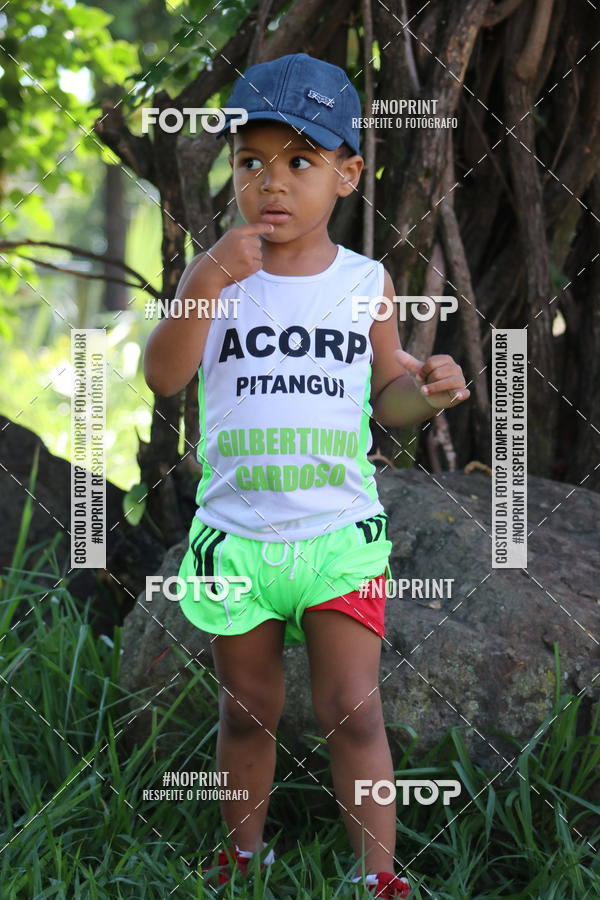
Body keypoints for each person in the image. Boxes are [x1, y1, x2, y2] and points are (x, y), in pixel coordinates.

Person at [143, 52, 469, 899]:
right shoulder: (217, 280)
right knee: (245, 709)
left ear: (348, 173)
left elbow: (385, 398)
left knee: (353, 712)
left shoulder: (365, 283)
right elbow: (162, 377)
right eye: (251, 162)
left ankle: (378, 877)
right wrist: (207, 278)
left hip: (337, 539)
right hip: (236, 542)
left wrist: (424, 394)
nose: (272, 184)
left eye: (300, 161)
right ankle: (242, 856)